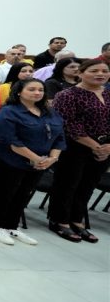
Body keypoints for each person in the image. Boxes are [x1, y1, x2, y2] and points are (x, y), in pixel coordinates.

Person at [0, 79, 64, 246]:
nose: (37, 93)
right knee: (5, 193)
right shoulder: (9, 111)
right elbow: (12, 141)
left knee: (23, 193)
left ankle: (12, 226)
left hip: (40, 162)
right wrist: (37, 159)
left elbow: (59, 137)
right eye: (32, 89)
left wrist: (52, 159)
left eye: (40, 90)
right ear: (19, 92)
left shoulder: (50, 112)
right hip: (7, 159)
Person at [48, 58, 110, 243]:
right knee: (67, 184)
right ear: (81, 73)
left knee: (88, 185)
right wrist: (95, 146)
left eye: (104, 71)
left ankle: (77, 220)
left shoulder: (108, 93)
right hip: (74, 146)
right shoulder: (67, 95)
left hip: (106, 147)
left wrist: (107, 147)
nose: (100, 74)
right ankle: (60, 221)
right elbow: (68, 124)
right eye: (94, 71)